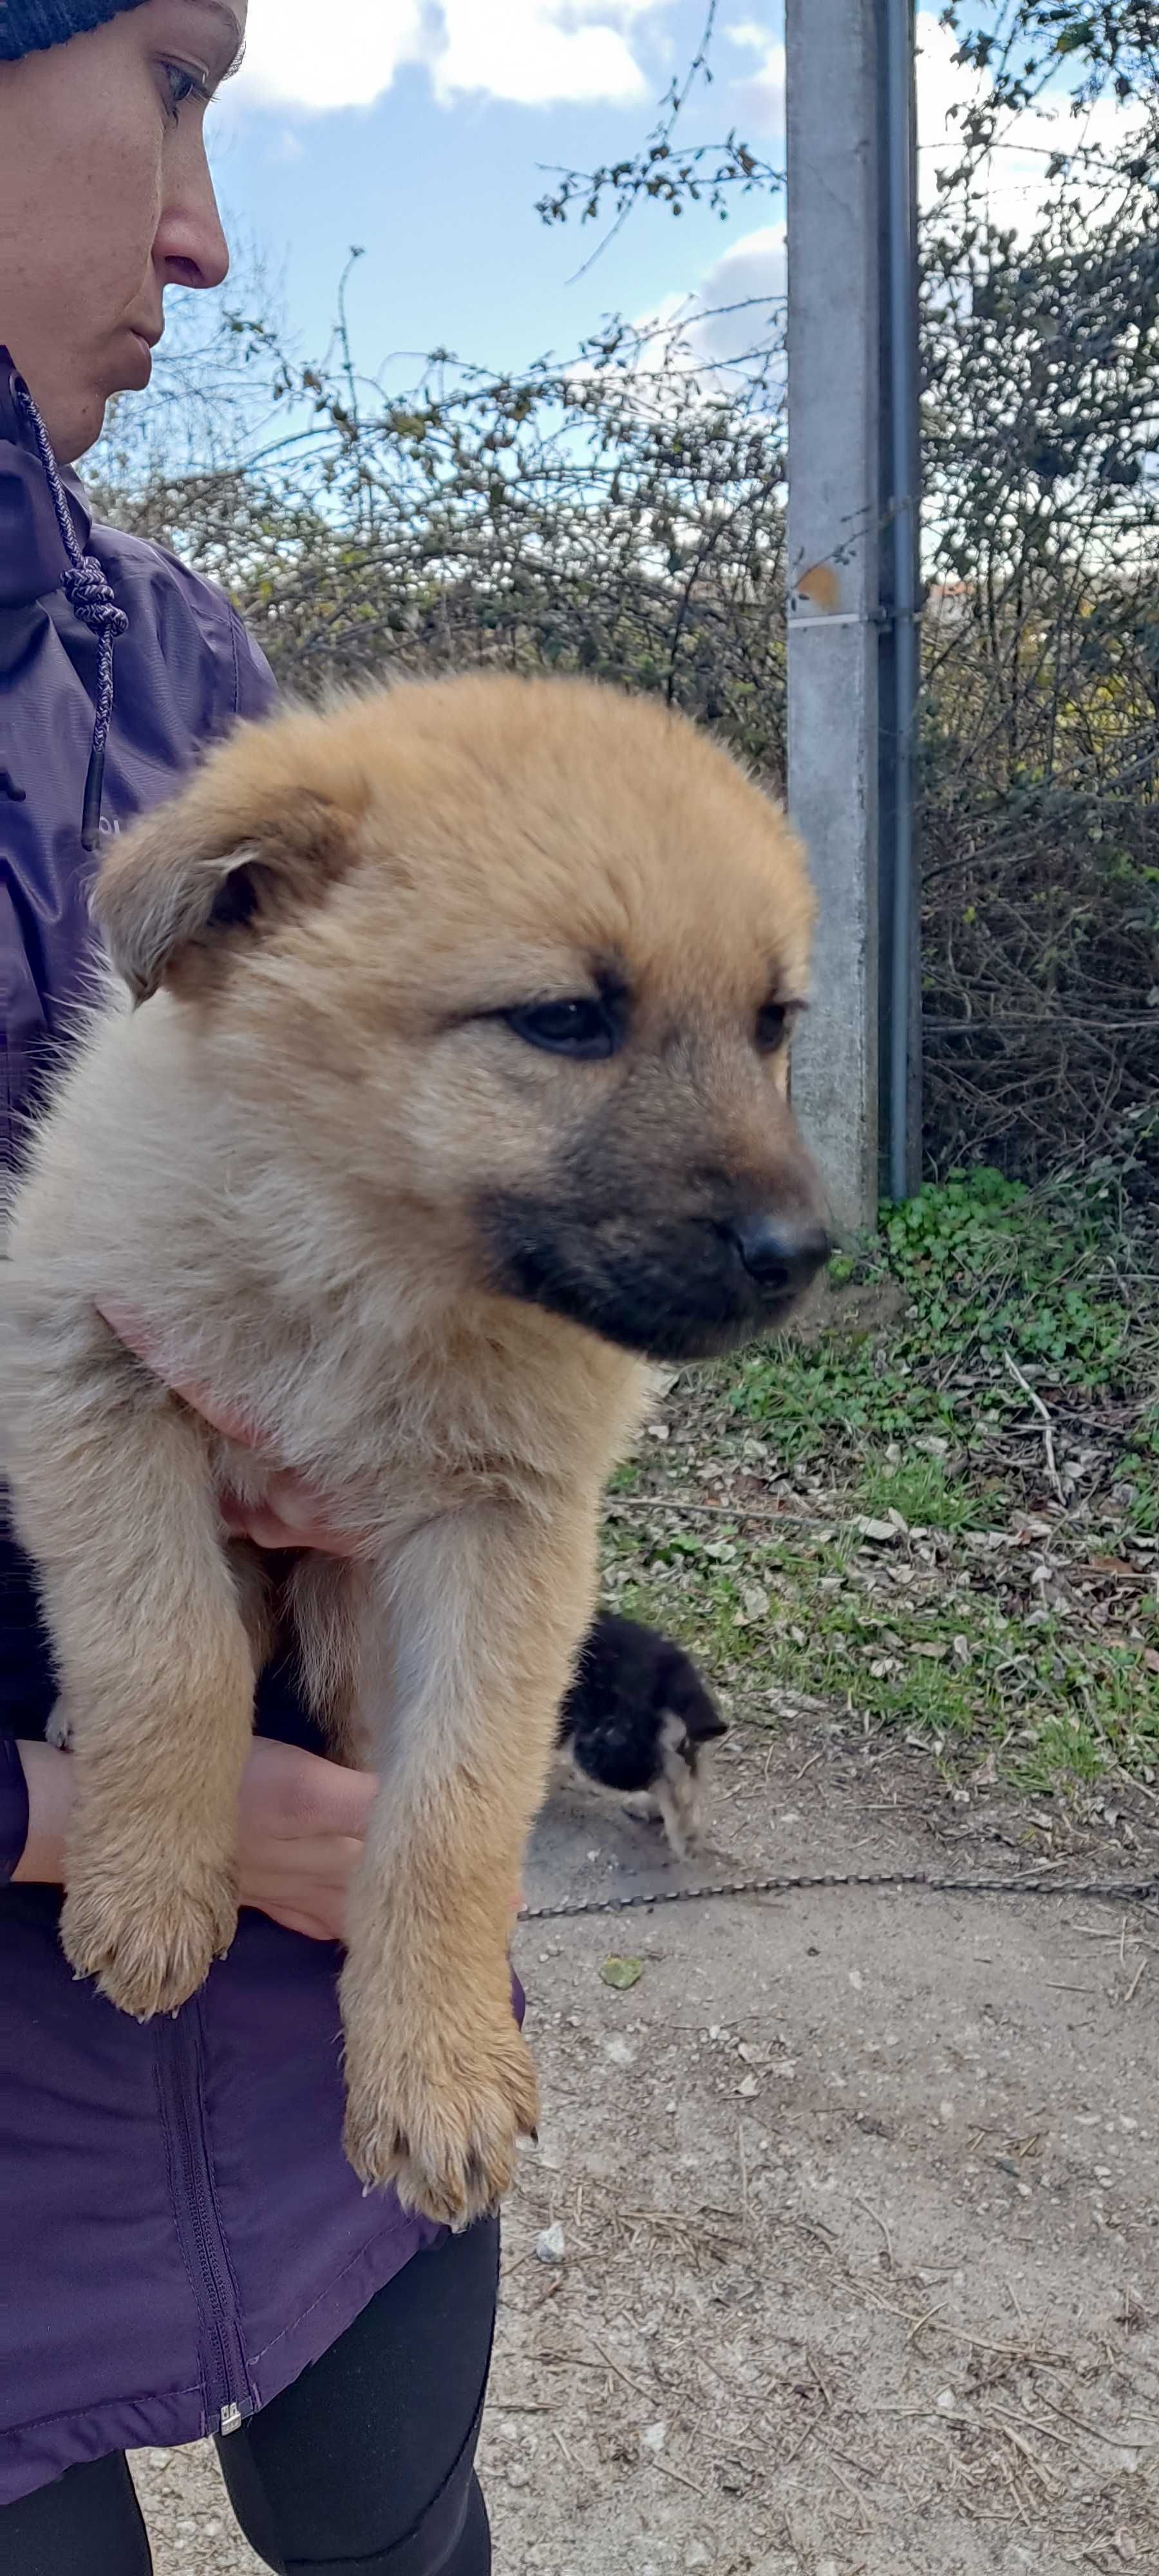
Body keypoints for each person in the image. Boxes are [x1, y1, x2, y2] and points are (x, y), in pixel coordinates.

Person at [0, 8, 650, 2566]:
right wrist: (107, 1806)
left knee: (399, 2518)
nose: (204, 226)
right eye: (162, 79)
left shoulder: (185, 672)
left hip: (327, 1980)